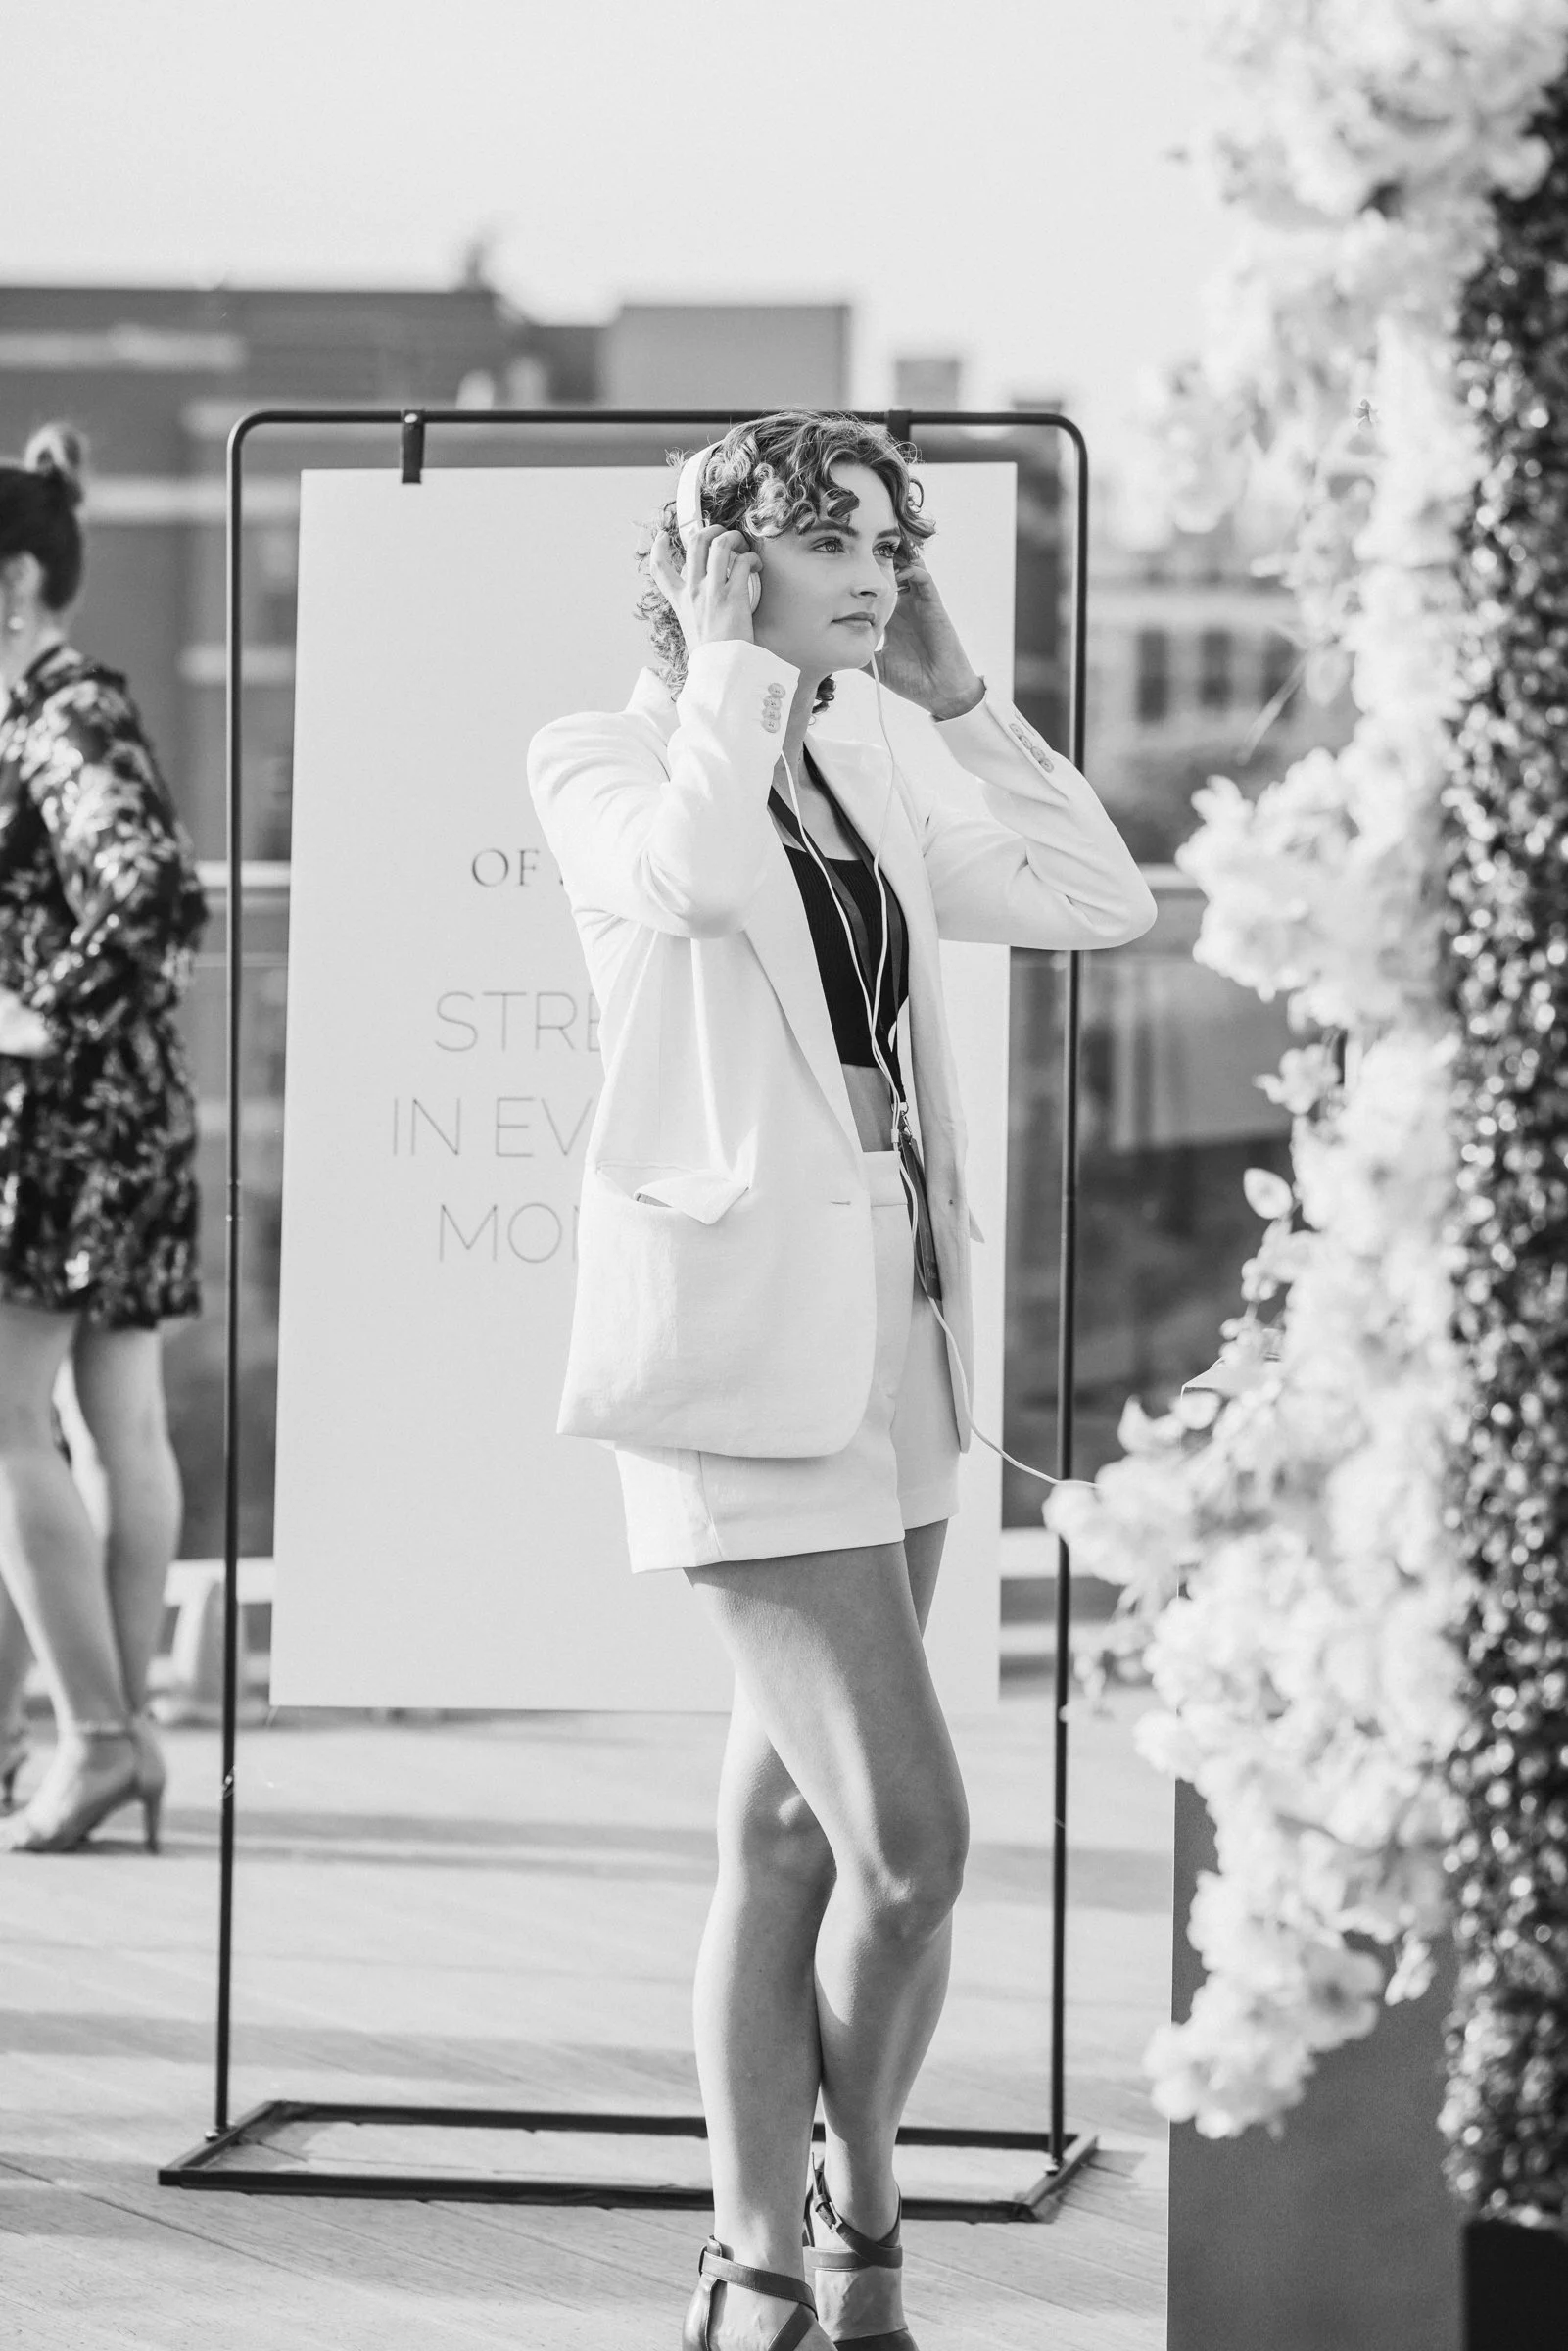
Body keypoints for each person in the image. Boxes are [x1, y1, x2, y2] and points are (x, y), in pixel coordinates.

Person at [528, 411, 1155, 2351]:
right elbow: (702, 886)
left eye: (897, 539)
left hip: (898, 1344)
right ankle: (850, 2211)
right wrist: (727, 670)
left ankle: (751, 2260)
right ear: (726, 563)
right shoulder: (601, 760)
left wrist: (968, 706)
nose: (884, 575)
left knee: (787, 1839)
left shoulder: (876, 744)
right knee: (913, 1847)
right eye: (838, 544)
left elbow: (1092, 899)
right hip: (737, 1366)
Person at [0, 422, 208, 1856]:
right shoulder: (79, 705)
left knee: (13, 1426)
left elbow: (153, 895)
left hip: (58, 1115)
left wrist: (34, 1017)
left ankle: (91, 1735)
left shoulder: (60, 717)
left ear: (17, 580)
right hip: (130, 1110)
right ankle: (115, 1736)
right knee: (114, 1422)